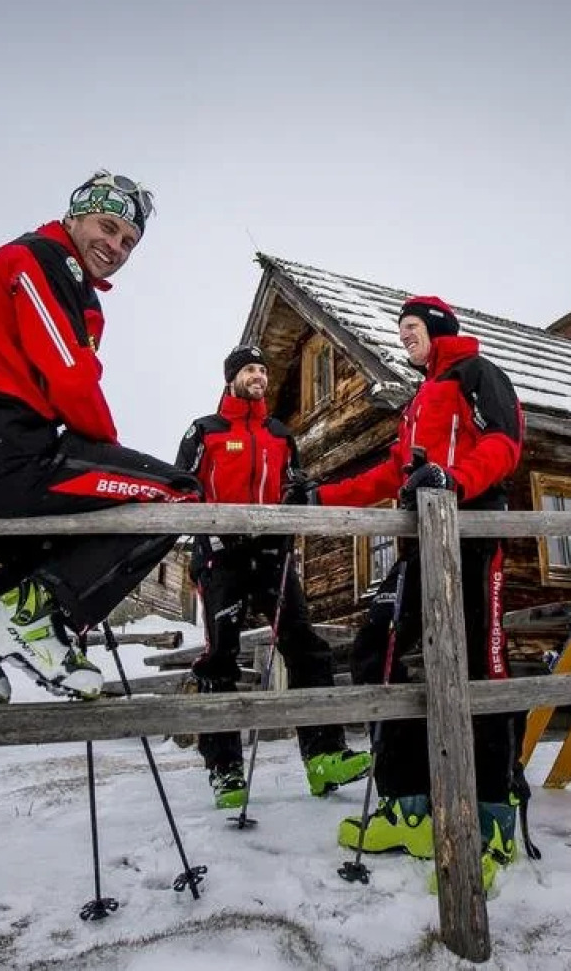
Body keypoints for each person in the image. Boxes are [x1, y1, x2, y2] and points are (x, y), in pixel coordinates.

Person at [0, 171, 201, 705]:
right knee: (177, 494)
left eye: (129, 240)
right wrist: (109, 452)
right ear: (76, 215)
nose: (116, 246)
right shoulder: (41, 258)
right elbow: (69, 375)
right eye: (108, 227)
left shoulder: (63, 275)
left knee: (59, 548)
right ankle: (36, 621)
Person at [303, 296, 525, 892]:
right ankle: (410, 807)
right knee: (379, 654)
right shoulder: (418, 399)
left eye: (412, 329)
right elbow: (390, 473)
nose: (404, 338)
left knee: (481, 666)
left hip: (472, 533)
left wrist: (452, 480)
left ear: (439, 328)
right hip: (419, 542)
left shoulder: (478, 375)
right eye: (400, 330)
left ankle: (492, 820)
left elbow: (505, 444)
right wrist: (320, 497)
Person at [174, 345, 372, 808]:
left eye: (262, 369)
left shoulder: (281, 433)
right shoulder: (206, 430)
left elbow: (293, 479)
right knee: (220, 656)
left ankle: (325, 756)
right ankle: (224, 771)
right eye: (249, 370)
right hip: (222, 557)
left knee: (306, 647)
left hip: (273, 556)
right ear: (232, 379)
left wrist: (300, 488)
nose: (259, 376)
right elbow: (179, 485)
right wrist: (201, 534)